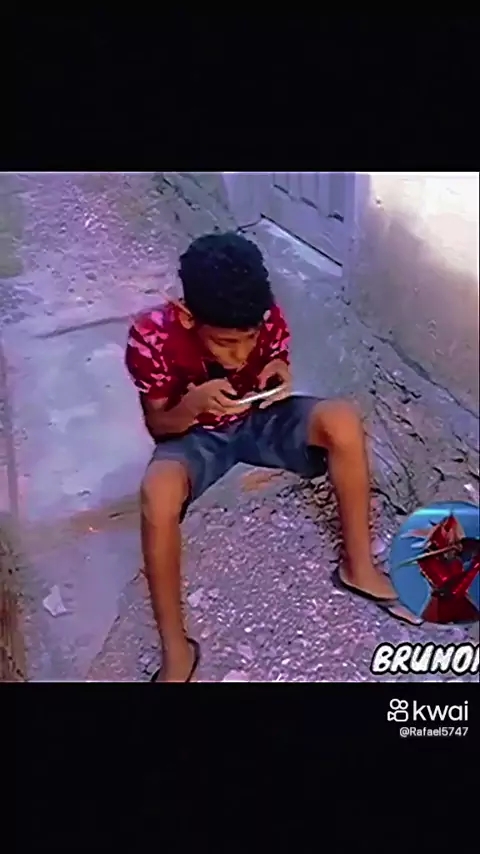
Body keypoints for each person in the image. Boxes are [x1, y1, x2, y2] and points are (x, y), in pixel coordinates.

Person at [126, 232, 420, 683]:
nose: (240, 353)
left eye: (248, 338)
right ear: (187, 317)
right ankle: (176, 649)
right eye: (225, 343)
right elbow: (159, 426)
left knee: (342, 419)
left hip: (258, 418)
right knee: (157, 492)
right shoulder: (152, 337)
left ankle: (358, 568)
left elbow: (277, 357)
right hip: (195, 436)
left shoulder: (263, 316)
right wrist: (192, 406)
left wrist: (278, 370)